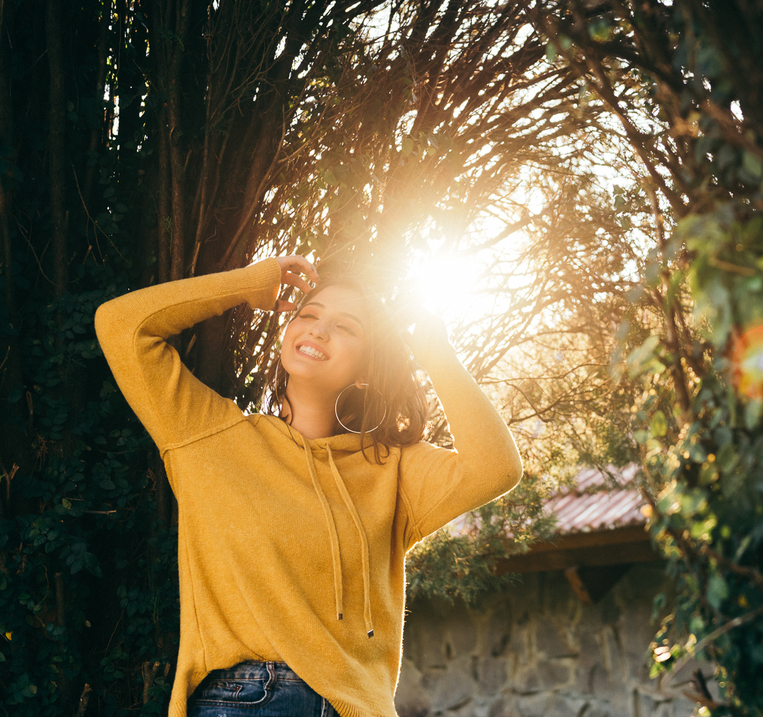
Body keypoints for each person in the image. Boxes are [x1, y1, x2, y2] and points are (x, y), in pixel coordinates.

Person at [95, 255, 523, 717]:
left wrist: (436, 354)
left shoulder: (392, 469)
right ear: (288, 332)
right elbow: (121, 324)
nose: (319, 330)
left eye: (346, 328)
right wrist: (246, 285)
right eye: (310, 315)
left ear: (365, 370)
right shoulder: (207, 436)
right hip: (246, 700)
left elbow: (496, 469)